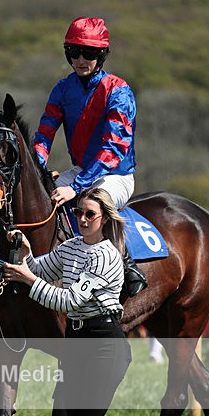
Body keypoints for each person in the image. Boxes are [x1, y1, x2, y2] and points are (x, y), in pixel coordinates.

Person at [2, 187, 132, 416]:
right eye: (78, 213)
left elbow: (70, 301)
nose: (83, 219)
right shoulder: (71, 247)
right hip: (75, 342)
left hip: (104, 343)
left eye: (90, 214)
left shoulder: (106, 256)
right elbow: (40, 270)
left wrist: (28, 280)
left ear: (105, 218)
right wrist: (27, 254)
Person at [33, 16, 147, 297]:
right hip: (81, 170)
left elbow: (113, 149)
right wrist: (37, 167)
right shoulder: (62, 89)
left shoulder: (118, 90)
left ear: (102, 55)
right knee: (38, 195)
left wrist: (75, 187)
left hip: (115, 175)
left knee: (93, 201)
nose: (81, 59)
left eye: (89, 53)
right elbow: (45, 134)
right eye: (75, 52)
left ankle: (127, 265)